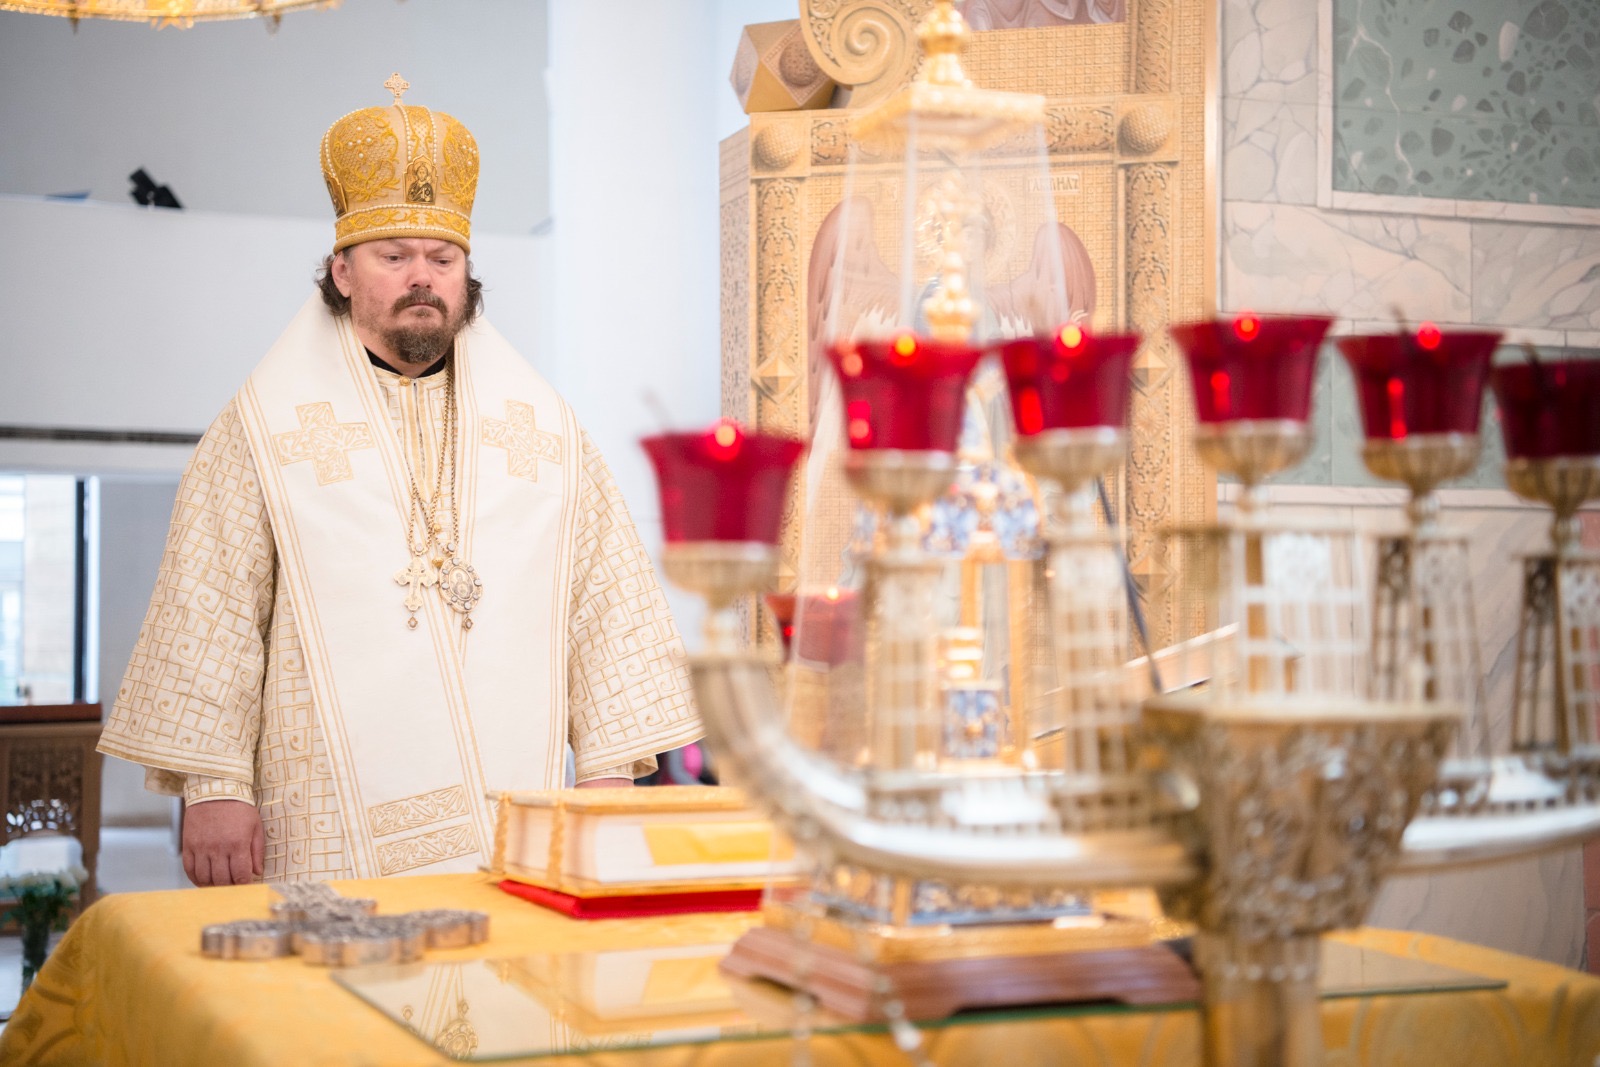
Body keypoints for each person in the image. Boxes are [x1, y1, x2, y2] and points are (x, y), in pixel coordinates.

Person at [99, 76, 701, 886]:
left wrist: (607, 771)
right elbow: (213, 606)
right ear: (343, 272)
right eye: (395, 256)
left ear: (465, 274)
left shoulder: (549, 435)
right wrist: (215, 789)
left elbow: (607, 605)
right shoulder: (261, 430)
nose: (424, 276)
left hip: (512, 811)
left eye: (442, 258)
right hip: (326, 817)